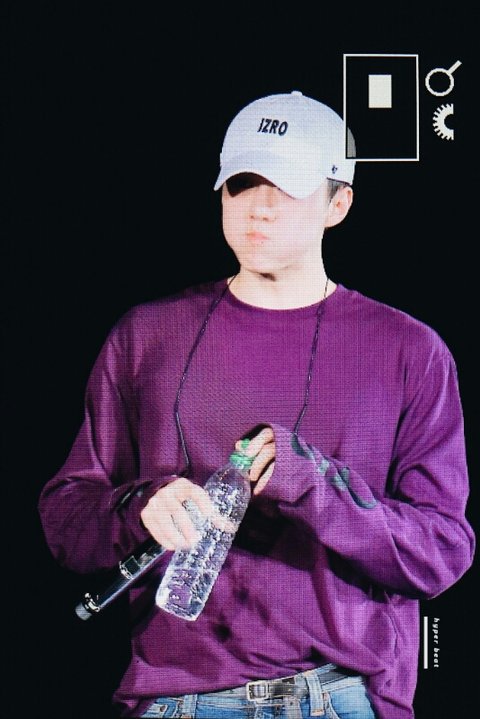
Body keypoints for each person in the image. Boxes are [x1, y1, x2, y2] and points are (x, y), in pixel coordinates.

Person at [38, 90, 475, 719]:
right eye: (243, 184)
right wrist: (139, 508)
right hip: (178, 700)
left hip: (338, 697)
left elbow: (440, 551)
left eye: (288, 188)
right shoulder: (147, 336)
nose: (260, 209)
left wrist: (313, 486)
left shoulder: (410, 351)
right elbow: (65, 518)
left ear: (338, 204)